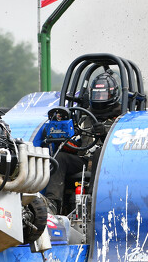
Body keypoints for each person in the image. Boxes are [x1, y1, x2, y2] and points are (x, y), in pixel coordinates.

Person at [45, 70, 121, 214]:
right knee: (60, 157)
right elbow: (77, 144)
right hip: (85, 159)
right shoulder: (85, 116)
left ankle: (92, 201)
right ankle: (52, 203)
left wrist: (104, 135)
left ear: (112, 94)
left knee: (100, 153)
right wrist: (63, 137)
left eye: (103, 95)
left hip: (110, 162)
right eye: (97, 95)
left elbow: (122, 147)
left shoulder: (122, 118)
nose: (99, 98)